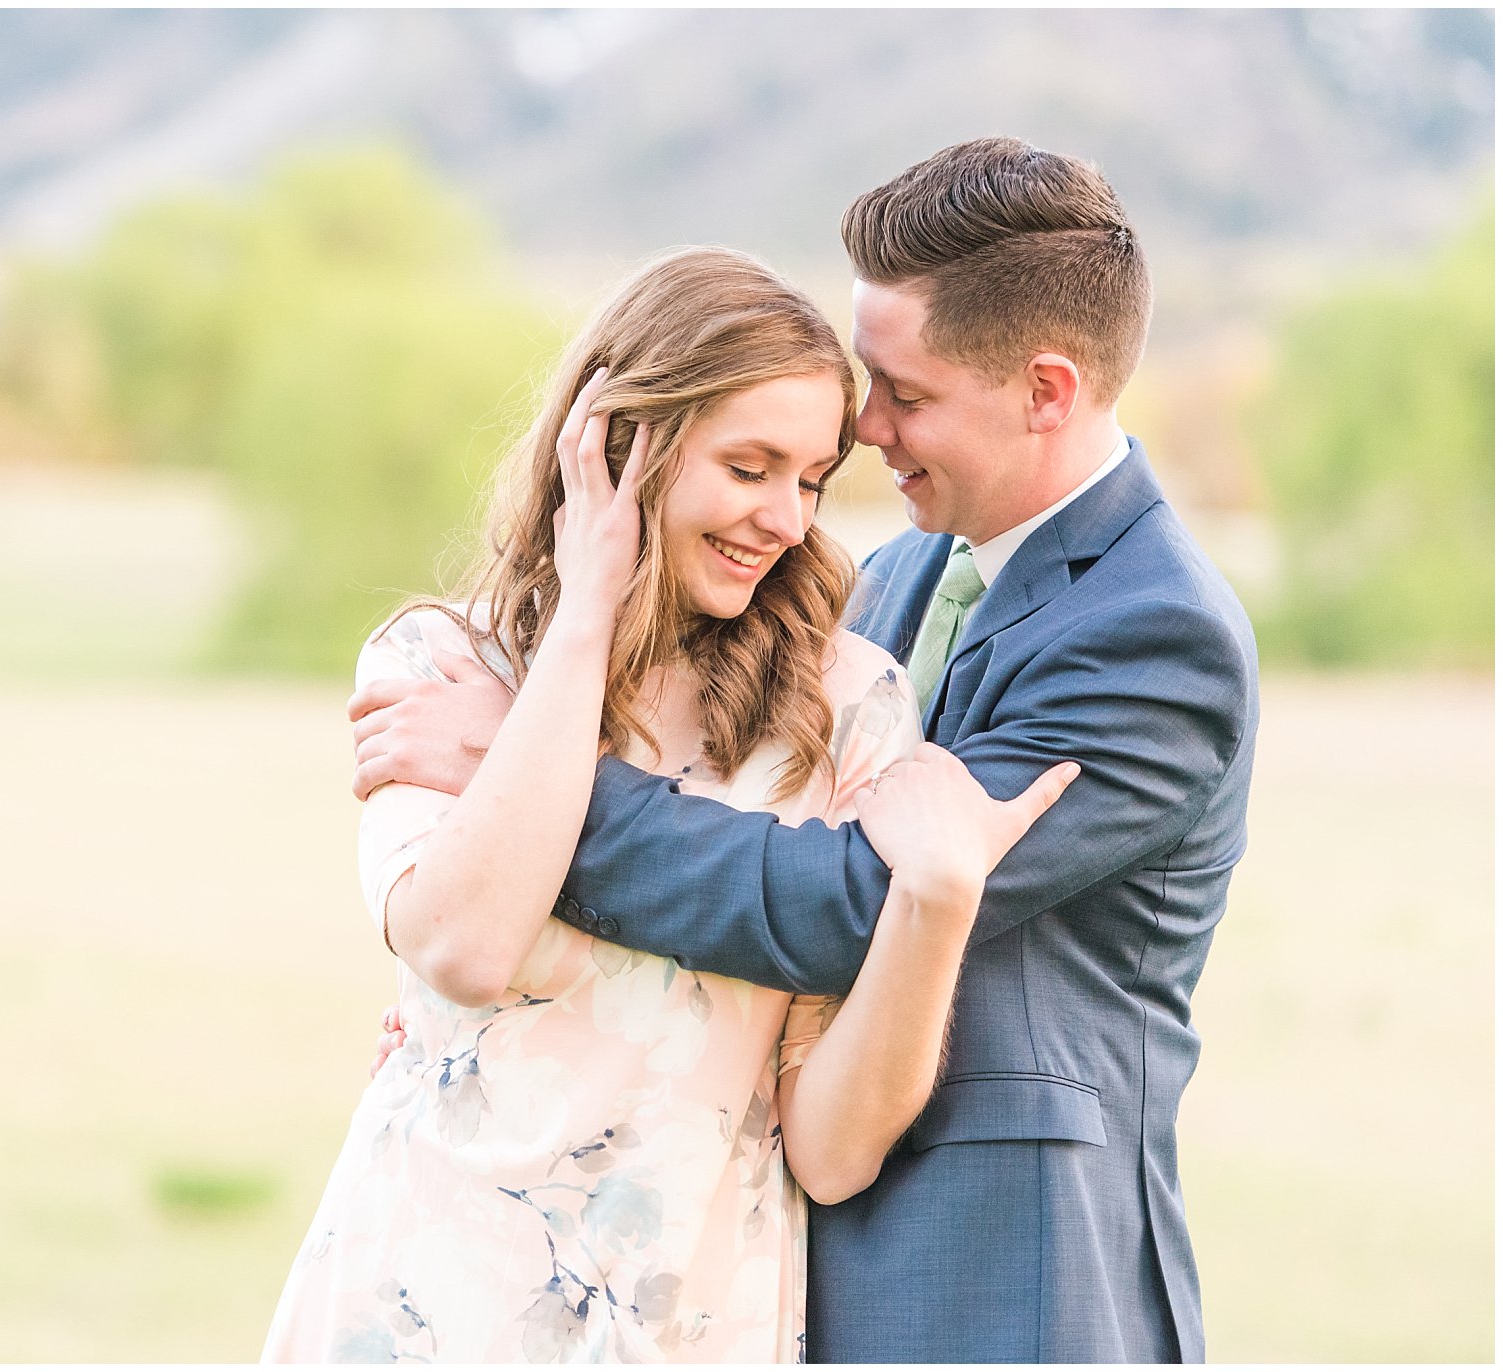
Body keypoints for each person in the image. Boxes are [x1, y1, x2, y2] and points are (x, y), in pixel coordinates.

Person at [349, 139, 1259, 1363]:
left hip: (998, 1266)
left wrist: (520, 787)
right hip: (739, 1240)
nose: (865, 423)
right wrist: (500, 1008)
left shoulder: (1154, 634)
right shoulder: (887, 580)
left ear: (1045, 389)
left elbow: (849, 900)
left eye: (903, 391)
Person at [264, 246, 1075, 1363]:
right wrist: (588, 607)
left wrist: (936, 895)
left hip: (687, 1328)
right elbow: (461, 944)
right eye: (747, 467)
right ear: (615, 447)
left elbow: (832, 1151)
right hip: (417, 1306)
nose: (785, 519)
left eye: (809, 477)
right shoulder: (443, 667)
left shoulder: (846, 711)